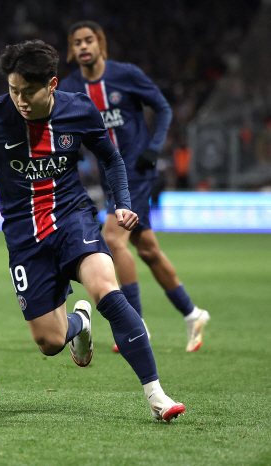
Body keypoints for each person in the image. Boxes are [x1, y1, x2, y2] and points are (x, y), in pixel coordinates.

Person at [0, 39, 185, 421]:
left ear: (53, 84)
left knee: (106, 289)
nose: (19, 100)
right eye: (13, 89)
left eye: (28, 91)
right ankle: (79, 323)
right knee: (50, 342)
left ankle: (157, 396)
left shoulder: (79, 109)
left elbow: (111, 158)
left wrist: (122, 202)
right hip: (25, 235)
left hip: (73, 217)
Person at [59, 21, 210, 353]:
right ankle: (192, 313)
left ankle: (135, 323)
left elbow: (163, 107)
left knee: (113, 239)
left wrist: (154, 148)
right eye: (77, 43)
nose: (84, 47)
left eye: (89, 40)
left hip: (137, 172)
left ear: (101, 44)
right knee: (148, 250)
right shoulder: (70, 87)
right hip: (109, 177)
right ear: (72, 50)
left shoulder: (125, 75)